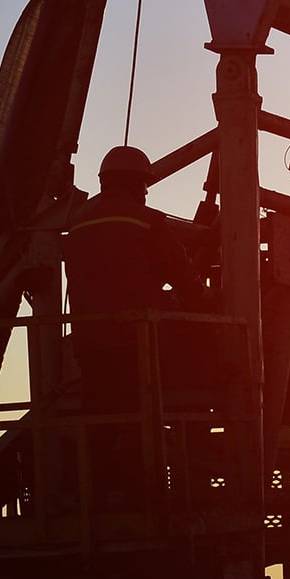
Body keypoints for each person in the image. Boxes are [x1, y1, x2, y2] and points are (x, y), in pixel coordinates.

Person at [63, 145, 203, 504]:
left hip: (89, 341)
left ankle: (96, 490)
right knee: (148, 410)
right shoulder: (147, 221)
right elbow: (183, 279)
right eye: (144, 186)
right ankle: (148, 486)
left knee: (100, 417)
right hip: (137, 339)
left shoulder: (78, 221)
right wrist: (206, 302)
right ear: (140, 184)